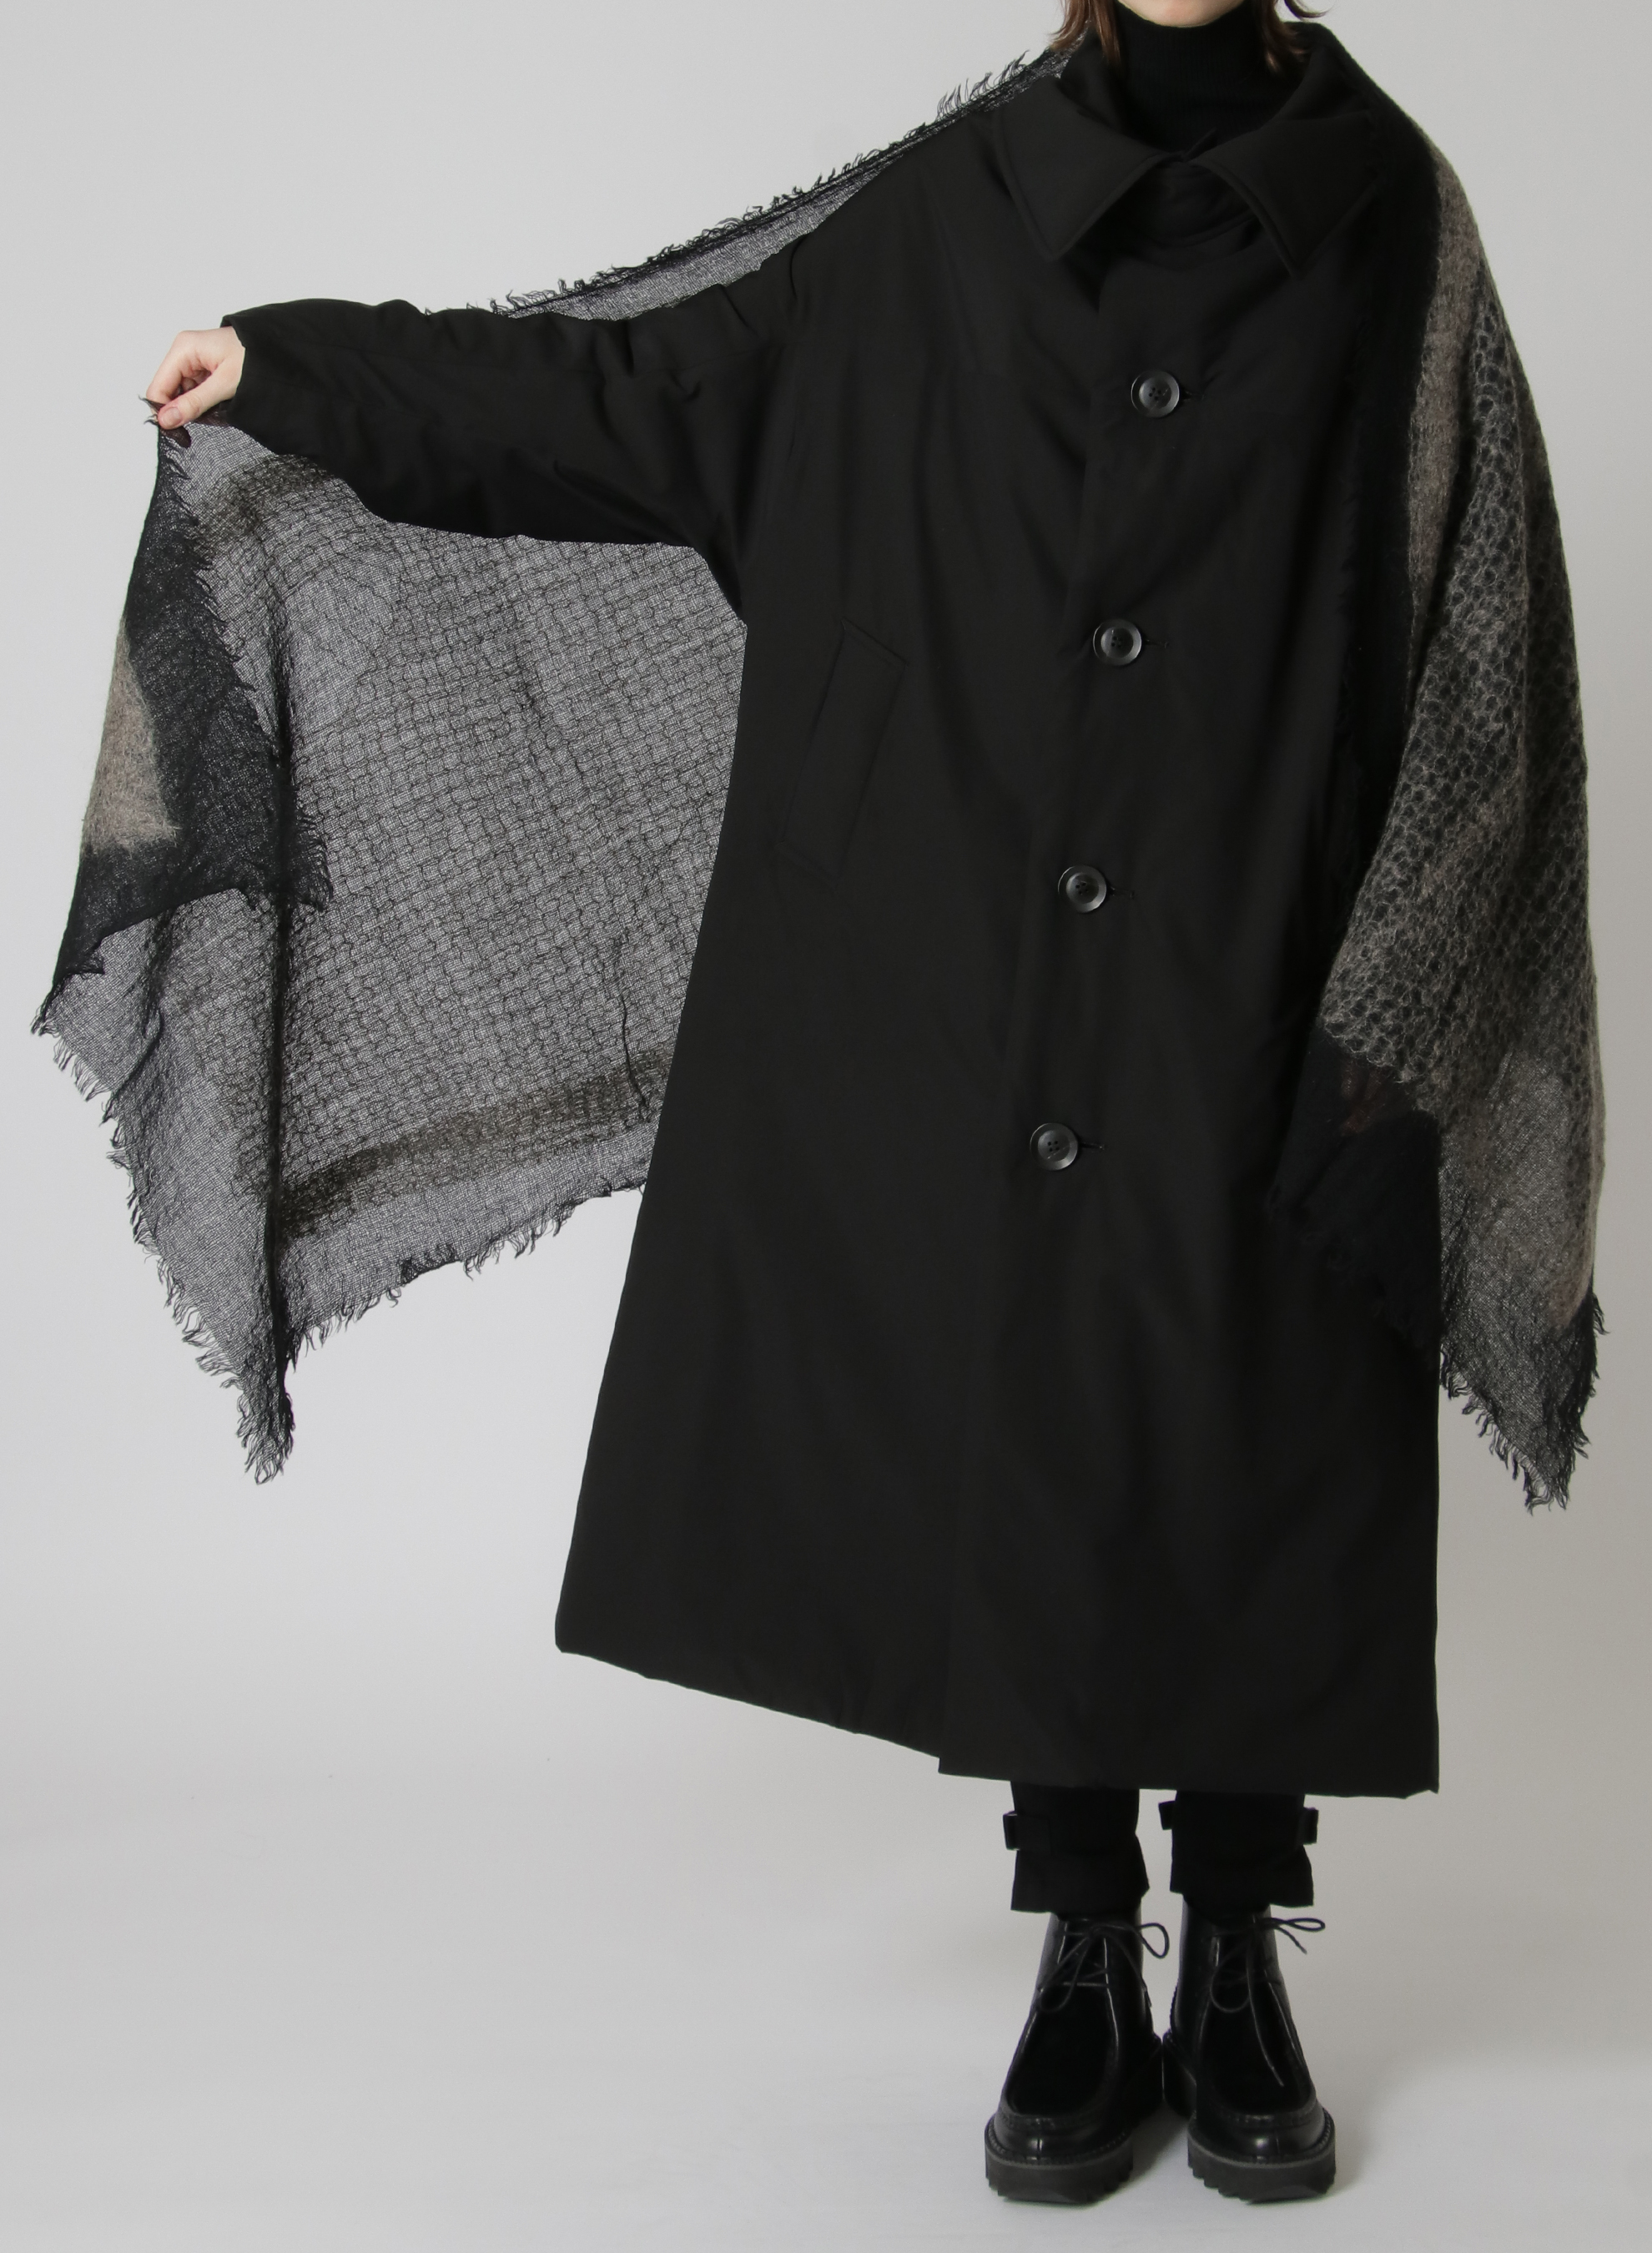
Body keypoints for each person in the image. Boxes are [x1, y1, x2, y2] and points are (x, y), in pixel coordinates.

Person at [125, 0, 1599, 2212]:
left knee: (1250, 1431)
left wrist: (1403, 991)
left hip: (1266, 970)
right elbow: (637, 396)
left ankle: (1240, 1945)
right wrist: (302, 369)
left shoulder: (1396, 222)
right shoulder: (958, 214)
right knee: (1043, 1437)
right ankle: (1083, 1939)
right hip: (998, 977)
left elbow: (1482, 628)